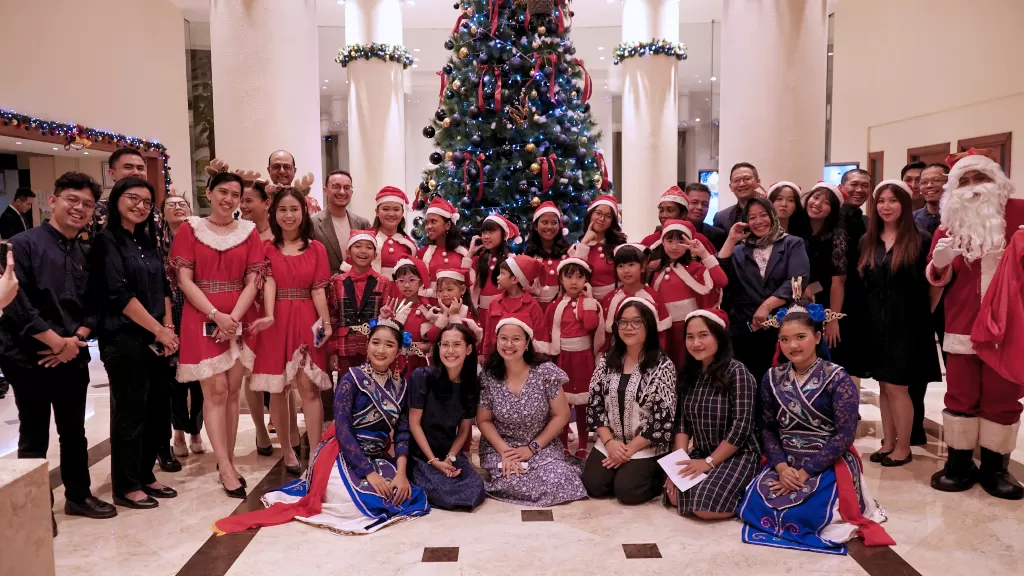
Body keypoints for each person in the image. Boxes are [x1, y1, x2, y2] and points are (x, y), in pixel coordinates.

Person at [213, 309, 430, 535]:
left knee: (403, 494)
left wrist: (401, 473)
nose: (381, 350)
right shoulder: (352, 379)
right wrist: (369, 473)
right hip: (341, 455)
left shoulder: (401, 386)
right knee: (360, 501)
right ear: (367, 346)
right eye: (375, 342)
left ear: (398, 351)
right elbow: (344, 431)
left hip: (376, 455)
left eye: (389, 345)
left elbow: (403, 431)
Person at [0, 172, 116, 531]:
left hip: (72, 352)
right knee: (34, 432)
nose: (79, 209)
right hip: (28, 356)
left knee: (73, 430)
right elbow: (16, 302)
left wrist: (76, 339)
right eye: (72, 200)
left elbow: (94, 303)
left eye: (87, 204)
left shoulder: (86, 250)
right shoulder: (20, 245)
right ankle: (36, 510)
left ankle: (78, 496)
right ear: (52, 200)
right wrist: (53, 341)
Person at [739, 305, 893, 554]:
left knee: (809, 514)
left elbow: (845, 435)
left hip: (826, 460)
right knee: (756, 505)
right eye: (785, 339)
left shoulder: (838, 378)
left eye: (801, 337)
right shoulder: (771, 377)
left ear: (818, 337)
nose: (793, 346)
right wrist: (780, 467)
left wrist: (804, 472)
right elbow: (766, 428)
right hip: (785, 458)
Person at [926, 151, 1024, 499]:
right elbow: (936, 275)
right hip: (962, 323)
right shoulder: (948, 222)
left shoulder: (1020, 212)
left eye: (979, 179)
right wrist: (940, 262)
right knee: (961, 394)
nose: (971, 189)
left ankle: (997, 468)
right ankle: (959, 463)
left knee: (1002, 396)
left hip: (1009, 326)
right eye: (963, 182)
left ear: (997, 182)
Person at [169, 171, 265, 499]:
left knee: (234, 389)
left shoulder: (249, 233)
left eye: (235, 194)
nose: (228, 199)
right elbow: (184, 279)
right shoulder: (190, 230)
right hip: (202, 317)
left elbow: (254, 279)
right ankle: (223, 466)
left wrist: (234, 318)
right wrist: (216, 315)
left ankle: (230, 460)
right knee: (217, 391)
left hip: (239, 316)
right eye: (222, 191)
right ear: (208, 192)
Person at [89, 177, 179, 509]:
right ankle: (126, 484)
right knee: (130, 412)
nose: (140, 206)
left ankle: (145, 474)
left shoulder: (148, 242)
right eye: (133, 198)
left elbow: (164, 288)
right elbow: (118, 294)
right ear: (116, 200)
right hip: (124, 339)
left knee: (156, 409)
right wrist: (160, 329)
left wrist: (168, 326)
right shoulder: (106, 242)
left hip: (156, 338)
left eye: (146, 202)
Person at [248, 188, 333, 476]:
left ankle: (318, 450)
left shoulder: (317, 249)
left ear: (303, 212)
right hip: (276, 320)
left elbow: (318, 289)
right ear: (274, 213)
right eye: (282, 209)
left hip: (308, 317)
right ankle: (286, 450)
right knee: (279, 389)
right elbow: (268, 282)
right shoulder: (266, 248)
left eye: (294, 209)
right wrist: (270, 314)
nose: (288, 215)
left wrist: (326, 323)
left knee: (309, 388)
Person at [859, 180, 940, 466]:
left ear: (904, 205)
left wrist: (921, 316)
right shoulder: (869, 240)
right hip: (876, 321)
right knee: (884, 384)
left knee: (898, 386)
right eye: (881, 201)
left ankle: (904, 446)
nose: (886, 206)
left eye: (893, 200)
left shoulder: (921, 238)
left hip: (908, 322)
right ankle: (888, 441)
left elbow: (936, 284)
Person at [477, 314, 587, 506]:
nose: (509, 344)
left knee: (559, 479)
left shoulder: (545, 372)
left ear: (527, 342)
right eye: (503, 338)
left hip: (539, 444)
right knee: (511, 476)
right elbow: (484, 420)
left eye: (516, 339)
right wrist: (506, 452)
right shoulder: (489, 375)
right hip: (501, 446)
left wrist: (532, 448)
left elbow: (562, 415)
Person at [665, 309, 760, 519]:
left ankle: (748, 496)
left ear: (719, 336)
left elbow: (741, 427)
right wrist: (678, 464)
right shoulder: (689, 374)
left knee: (704, 508)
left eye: (703, 335)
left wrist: (709, 463)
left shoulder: (737, 372)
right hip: (704, 451)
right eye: (690, 337)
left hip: (738, 453)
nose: (696, 343)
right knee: (673, 496)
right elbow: (682, 424)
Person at [583, 298, 676, 504]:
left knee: (627, 492)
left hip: (645, 445)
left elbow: (663, 418)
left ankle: (655, 474)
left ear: (649, 325)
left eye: (636, 322)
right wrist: (609, 442)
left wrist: (629, 450)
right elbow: (595, 405)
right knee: (594, 486)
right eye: (623, 322)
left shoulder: (663, 365)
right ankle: (624, 470)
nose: (628, 328)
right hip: (612, 441)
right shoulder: (607, 360)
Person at [717, 197, 810, 381]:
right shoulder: (738, 250)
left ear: (773, 216)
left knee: (781, 380)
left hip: (782, 322)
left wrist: (767, 306)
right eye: (752, 217)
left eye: (763, 215)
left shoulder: (792, 243)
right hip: (745, 326)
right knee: (746, 381)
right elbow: (718, 274)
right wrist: (731, 239)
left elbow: (798, 282)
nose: (758, 221)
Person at [406, 324, 486, 510]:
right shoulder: (422, 376)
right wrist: (434, 461)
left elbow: (464, 429)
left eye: (456, 345)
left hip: (448, 452)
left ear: (468, 349)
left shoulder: (471, 384)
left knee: (476, 489)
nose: (450, 351)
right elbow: (414, 424)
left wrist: (450, 457)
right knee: (444, 492)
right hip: (420, 454)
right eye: (445, 345)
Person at [648, 220, 727, 369]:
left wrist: (704, 254)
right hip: (664, 332)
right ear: (662, 242)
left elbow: (722, 281)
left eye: (680, 241)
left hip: (689, 331)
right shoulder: (656, 271)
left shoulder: (696, 269)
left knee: (688, 368)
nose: (674, 247)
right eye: (669, 241)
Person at [544, 257, 602, 457]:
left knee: (583, 403)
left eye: (579, 277)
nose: (574, 281)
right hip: (563, 359)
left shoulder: (590, 304)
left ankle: (584, 443)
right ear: (561, 279)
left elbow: (590, 325)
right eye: (569, 277)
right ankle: (563, 445)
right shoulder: (554, 306)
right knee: (562, 403)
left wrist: (589, 300)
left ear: (586, 280)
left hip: (583, 359)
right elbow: (548, 332)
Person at [162, 194, 206, 458]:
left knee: (200, 378)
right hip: (168, 316)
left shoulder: (200, 238)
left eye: (182, 204)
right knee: (174, 378)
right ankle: (178, 429)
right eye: (171, 204)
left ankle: (196, 429)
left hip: (197, 312)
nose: (177, 208)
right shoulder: (157, 241)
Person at [239, 180, 279, 456]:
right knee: (250, 373)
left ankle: (284, 429)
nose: (242, 205)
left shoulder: (281, 234)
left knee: (278, 374)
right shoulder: (238, 234)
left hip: (277, 310)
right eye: (240, 200)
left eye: (248, 200)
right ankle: (260, 431)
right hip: (246, 308)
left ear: (266, 203)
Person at [327, 230, 394, 376]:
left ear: (375, 255)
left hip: (373, 348)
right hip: (345, 347)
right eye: (358, 246)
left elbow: (388, 319)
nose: (363, 251)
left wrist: (386, 316)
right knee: (346, 388)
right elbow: (332, 318)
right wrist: (332, 350)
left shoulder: (383, 282)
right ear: (348, 252)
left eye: (369, 247)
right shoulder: (337, 282)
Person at [800, 183, 849, 359]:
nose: (818, 204)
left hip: (825, 301)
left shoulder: (837, 234)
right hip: (794, 298)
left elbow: (838, 280)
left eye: (826, 202)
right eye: (815, 197)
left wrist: (833, 319)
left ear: (833, 210)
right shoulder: (797, 226)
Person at [600, 243, 671, 349]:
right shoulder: (609, 299)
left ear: (642, 267)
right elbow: (606, 336)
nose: (626, 270)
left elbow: (661, 334)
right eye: (620, 266)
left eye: (631, 264)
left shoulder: (653, 297)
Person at [838, 169, 871, 382]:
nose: (859, 190)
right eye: (854, 184)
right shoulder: (834, 217)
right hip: (835, 297)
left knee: (852, 358)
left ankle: (848, 408)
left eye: (865, 185)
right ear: (843, 187)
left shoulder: (866, 220)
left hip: (860, 298)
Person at [482, 254, 550, 356]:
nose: (498, 277)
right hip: (497, 359)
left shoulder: (532, 306)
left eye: (502, 273)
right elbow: (488, 334)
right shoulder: (494, 302)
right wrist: (485, 355)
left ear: (514, 279)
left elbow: (539, 337)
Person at [568, 195, 628, 300]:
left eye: (608, 216)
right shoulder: (575, 248)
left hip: (615, 301)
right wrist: (584, 242)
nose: (602, 219)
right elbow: (573, 275)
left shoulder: (619, 247)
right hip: (587, 303)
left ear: (612, 222)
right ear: (590, 215)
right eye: (598, 213)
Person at [311, 170, 371, 274]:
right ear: (325, 190)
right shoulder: (312, 222)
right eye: (336, 186)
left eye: (347, 188)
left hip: (358, 286)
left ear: (351, 192)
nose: (342, 192)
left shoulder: (362, 223)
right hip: (325, 286)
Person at [469, 213, 516, 340]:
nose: (486, 236)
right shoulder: (479, 260)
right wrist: (469, 255)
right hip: (482, 315)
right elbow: (465, 281)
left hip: (504, 314)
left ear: (503, 234)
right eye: (484, 232)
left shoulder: (511, 261)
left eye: (491, 232)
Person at [417, 197, 470, 302]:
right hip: (430, 310)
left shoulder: (463, 253)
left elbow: (469, 285)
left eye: (433, 221)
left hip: (457, 309)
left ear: (448, 225)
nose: (428, 226)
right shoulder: (422, 253)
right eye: (426, 223)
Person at [392, 257, 437, 375]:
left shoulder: (428, 309)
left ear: (421, 282)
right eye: (401, 281)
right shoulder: (393, 308)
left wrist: (429, 346)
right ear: (396, 283)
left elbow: (436, 334)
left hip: (423, 360)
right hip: (399, 360)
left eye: (412, 280)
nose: (406, 285)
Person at [525, 201, 570, 312]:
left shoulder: (569, 253)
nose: (549, 227)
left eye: (554, 223)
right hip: (537, 311)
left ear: (559, 226)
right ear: (535, 226)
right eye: (544, 222)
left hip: (563, 310)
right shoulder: (529, 256)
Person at [368, 187, 417, 279]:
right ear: (377, 212)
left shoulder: (409, 244)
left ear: (402, 212)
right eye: (386, 209)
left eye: (396, 209)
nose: (391, 214)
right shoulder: (366, 238)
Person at [267, 150, 320, 214]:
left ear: (294, 171)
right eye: (276, 166)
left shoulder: (310, 203)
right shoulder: (262, 203)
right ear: (269, 170)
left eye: (287, 167)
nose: (282, 171)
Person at [713, 163, 761, 231]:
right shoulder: (721, 217)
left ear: (758, 182)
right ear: (731, 187)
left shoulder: (772, 210)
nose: (742, 184)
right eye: (736, 180)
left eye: (747, 178)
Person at [684, 183, 727, 250]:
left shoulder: (718, 235)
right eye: (694, 202)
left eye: (705, 204)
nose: (700, 207)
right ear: (684, 203)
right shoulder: (671, 231)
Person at [913, 163, 948, 235]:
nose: (929, 185)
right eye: (924, 182)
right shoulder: (912, 219)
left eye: (936, 180)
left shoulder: (960, 217)